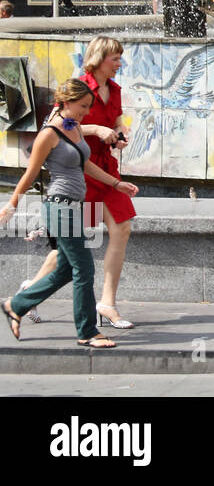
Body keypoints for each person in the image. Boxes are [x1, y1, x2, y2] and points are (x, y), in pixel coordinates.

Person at [1, 79, 139, 348]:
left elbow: (85, 164)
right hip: (59, 206)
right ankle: (88, 332)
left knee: (66, 270)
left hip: (75, 206)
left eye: (88, 107)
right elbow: (30, 174)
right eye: (82, 106)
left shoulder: (73, 128)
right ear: (66, 102)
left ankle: (15, 305)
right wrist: (12, 204)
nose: (86, 113)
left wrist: (116, 183)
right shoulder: (49, 134)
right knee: (84, 268)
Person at [79, 37, 135, 329]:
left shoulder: (114, 90)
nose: (119, 64)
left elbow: (115, 122)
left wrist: (118, 132)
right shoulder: (78, 87)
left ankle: (107, 303)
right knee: (73, 241)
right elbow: (59, 125)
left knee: (122, 228)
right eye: (115, 58)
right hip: (82, 174)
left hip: (107, 171)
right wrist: (95, 129)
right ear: (99, 59)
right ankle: (29, 294)